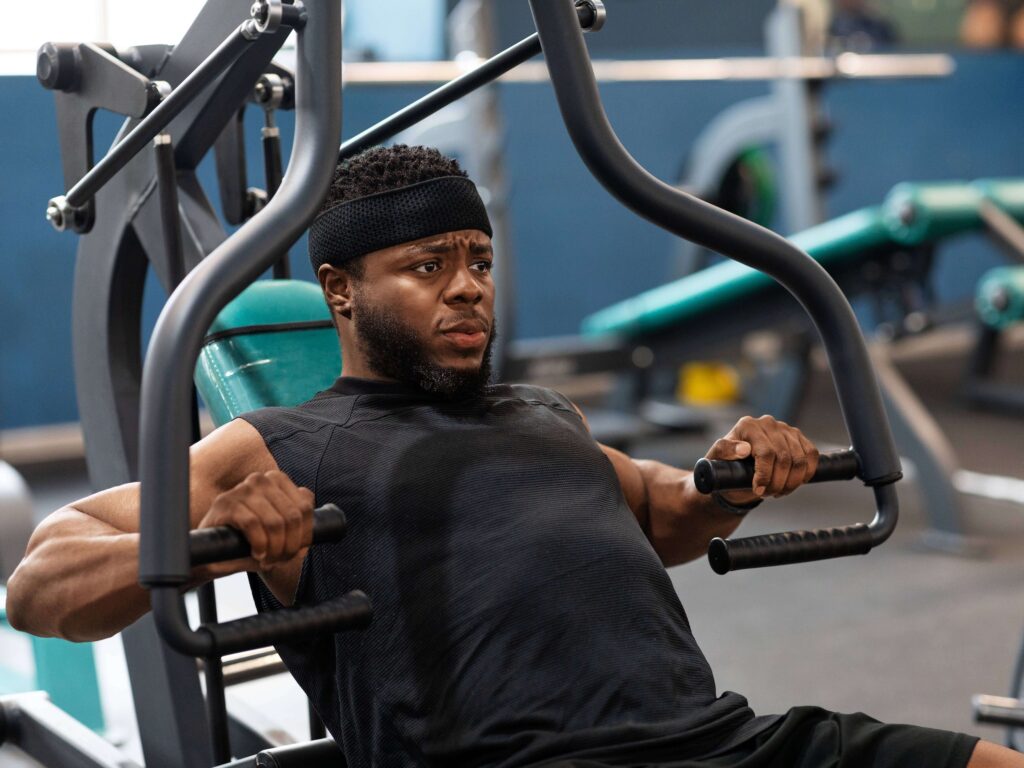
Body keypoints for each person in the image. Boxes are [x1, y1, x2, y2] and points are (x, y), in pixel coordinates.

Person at [6, 146, 1021, 768]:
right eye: (427, 266)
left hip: (727, 741)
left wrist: (736, 476)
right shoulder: (277, 443)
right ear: (341, 291)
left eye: (479, 262)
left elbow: (663, 512)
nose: (467, 288)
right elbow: (39, 584)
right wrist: (202, 542)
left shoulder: (543, 413)